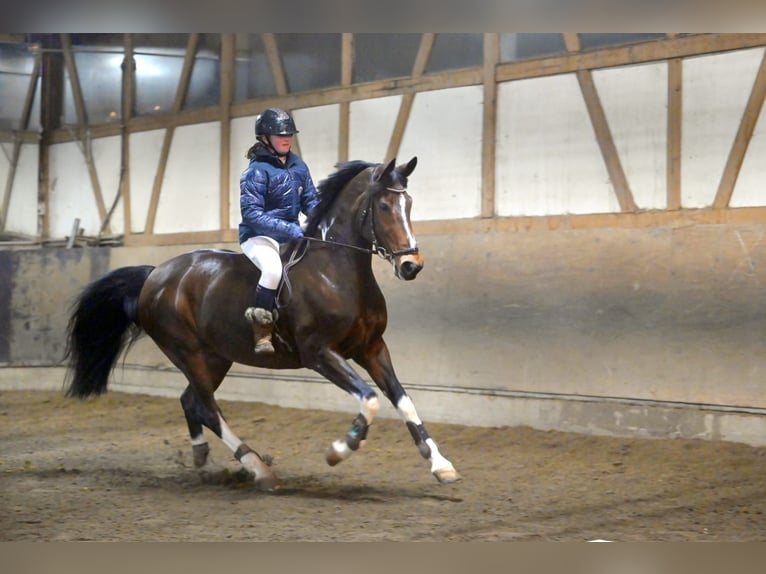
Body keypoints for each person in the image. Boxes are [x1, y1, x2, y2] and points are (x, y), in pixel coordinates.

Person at [238, 107, 320, 354]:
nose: (286, 139)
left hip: (291, 233)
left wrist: (321, 221)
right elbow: (252, 214)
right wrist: (289, 229)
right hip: (258, 236)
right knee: (273, 271)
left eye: (289, 135)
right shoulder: (255, 171)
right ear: (264, 138)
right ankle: (262, 333)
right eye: (279, 135)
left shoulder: (299, 166)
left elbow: (310, 201)